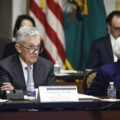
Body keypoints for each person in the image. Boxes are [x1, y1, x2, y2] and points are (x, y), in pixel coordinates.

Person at [0, 26, 56, 92]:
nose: (36, 52)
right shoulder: (5, 66)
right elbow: (5, 93)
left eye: (37, 47)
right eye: (31, 47)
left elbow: (52, 93)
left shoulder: (47, 66)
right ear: (19, 48)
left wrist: (15, 91)